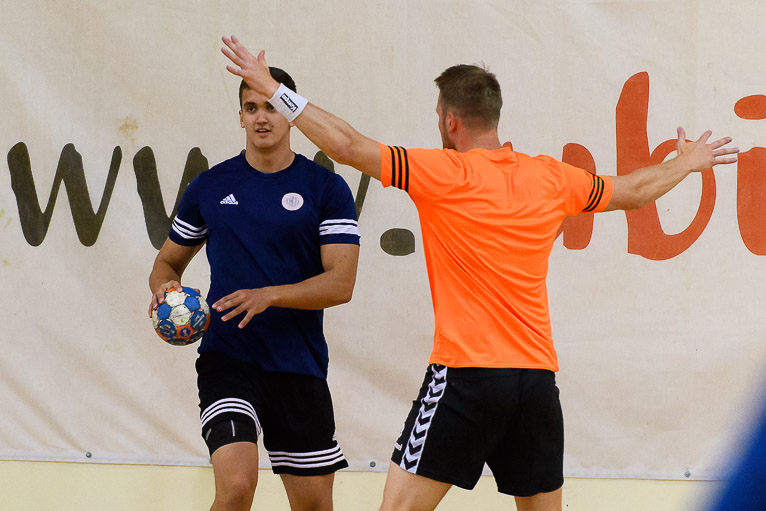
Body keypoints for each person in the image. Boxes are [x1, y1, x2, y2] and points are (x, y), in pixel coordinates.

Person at [220, 35, 738, 511]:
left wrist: (273, 88)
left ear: (450, 121)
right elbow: (634, 191)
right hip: (535, 382)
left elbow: (347, 146)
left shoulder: (442, 172)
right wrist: (687, 162)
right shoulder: (552, 177)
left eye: (437, 116)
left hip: (466, 376)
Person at [148, 66, 360, 511]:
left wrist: (269, 295)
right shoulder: (210, 186)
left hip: (298, 363)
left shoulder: (326, 188)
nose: (262, 117)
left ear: (291, 115)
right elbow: (167, 261)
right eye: (251, 108)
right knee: (237, 487)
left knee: (315, 506)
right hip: (228, 357)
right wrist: (165, 287)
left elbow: (341, 284)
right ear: (240, 117)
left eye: (273, 106)